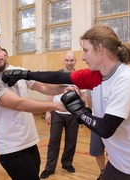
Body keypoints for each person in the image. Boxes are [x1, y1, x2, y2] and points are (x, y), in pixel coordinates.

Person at [2, 24, 130, 180]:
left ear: (100, 49)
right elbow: (58, 77)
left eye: (85, 50)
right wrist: (26, 74)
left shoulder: (127, 80)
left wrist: (79, 112)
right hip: (118, 163)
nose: (82, 57)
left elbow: (105, 128)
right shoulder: (95, 75)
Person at [0, 41, 76, 180]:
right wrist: (56, 106)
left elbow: (43, 87)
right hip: (12, 149)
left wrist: (63, 89)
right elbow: (19, 104)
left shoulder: (17, 70)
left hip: (30, 143)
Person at [40, 51, 82, 179]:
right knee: (53, 141)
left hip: (73, 115)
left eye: (72, 60)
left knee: (71, 141)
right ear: (64, 61)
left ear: (75, 61)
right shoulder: (57, 75)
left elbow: (83, 96)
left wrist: (81, 115)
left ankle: (67, 163)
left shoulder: (79, 76)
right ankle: (49, 168)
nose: (69, 63)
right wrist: (48, 111)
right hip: (57, 113)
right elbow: (50, 93)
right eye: (67, 60)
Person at [85, 90, 106, 180]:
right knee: (97, 150)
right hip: (96, 121)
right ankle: (103, 172)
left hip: (114, 121)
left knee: (116, 152)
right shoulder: (91, 81)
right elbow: (88, 97)